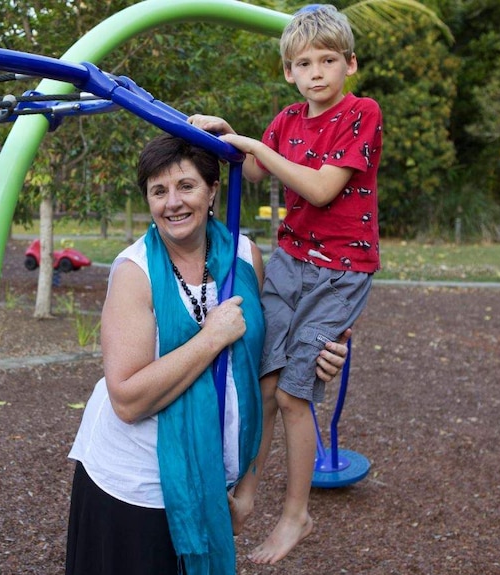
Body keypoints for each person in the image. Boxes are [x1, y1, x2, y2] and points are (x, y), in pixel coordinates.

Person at [65, 133, 351, 575]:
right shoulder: (134, 272)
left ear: (213, 189)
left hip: (213, 479)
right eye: (158, 191)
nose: (172, 203)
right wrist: (210, 338)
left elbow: (264, 375)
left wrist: (321, 356)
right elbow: (126, 399)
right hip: (133, 486)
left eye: (186, 186)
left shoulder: (243, 255)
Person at [188, 4, 382, 565]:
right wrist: (231, 137)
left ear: (350, 63)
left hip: (340, 270)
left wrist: (257, 146)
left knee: (297, 393)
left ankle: (296, 514)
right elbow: (251, 171)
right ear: (289, 73)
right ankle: (247, 489)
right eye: (303, 63)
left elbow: (321, 190)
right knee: (266, 381)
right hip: (291, 260)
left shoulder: (360, 113)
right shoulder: (287, 120)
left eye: (327, 60)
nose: (316, 71)